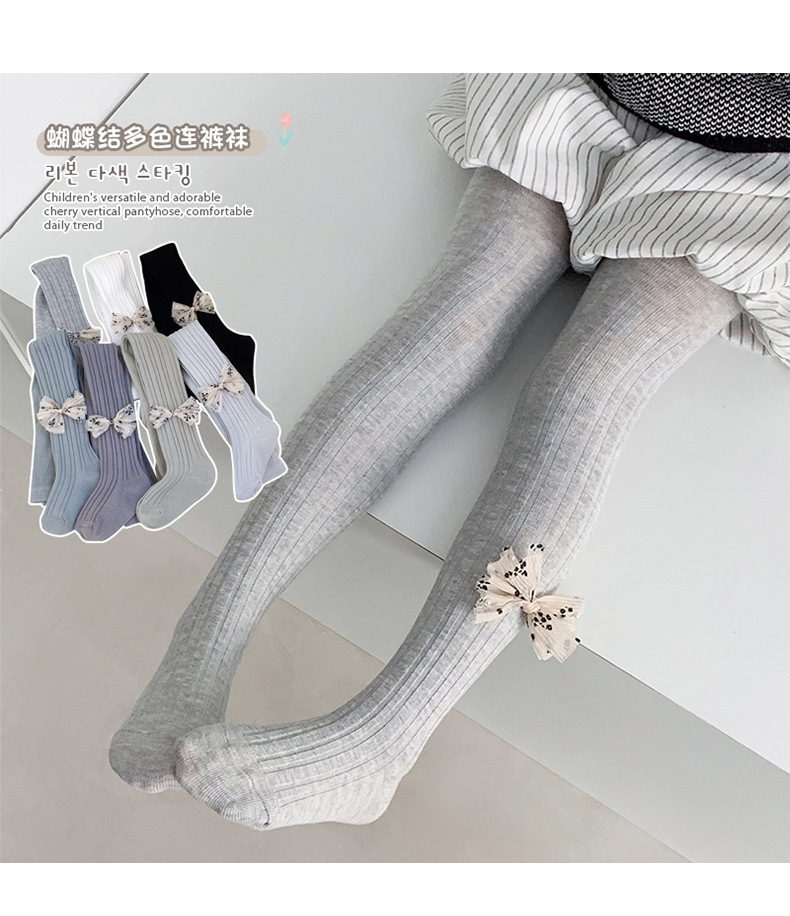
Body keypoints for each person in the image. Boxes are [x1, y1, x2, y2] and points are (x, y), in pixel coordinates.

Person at [109, 73, 790, 830]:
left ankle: (385, 738)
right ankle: (206, 636)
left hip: (756, 177)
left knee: (584, 391)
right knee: (450, 322)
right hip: (595, 88)